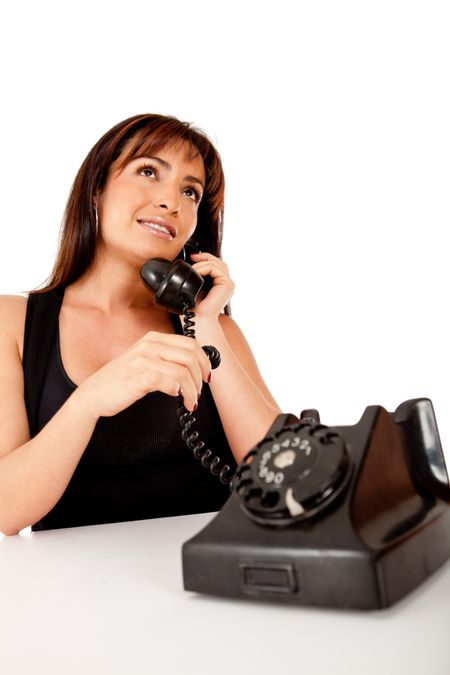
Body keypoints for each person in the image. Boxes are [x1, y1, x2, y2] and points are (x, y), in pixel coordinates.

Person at [0, 113, 282, 536]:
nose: (172, 201)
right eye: (148, 171)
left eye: (190, 191)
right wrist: (91, 399)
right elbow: (7, 512)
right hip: (71, 592)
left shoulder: (212, 328)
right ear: (96, 189)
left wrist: (202, 320)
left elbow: (279, 476)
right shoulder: (14, 323)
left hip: (210, 574)